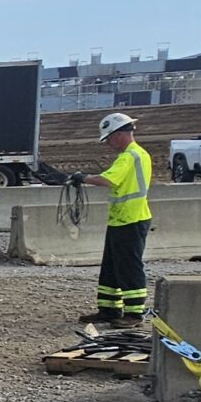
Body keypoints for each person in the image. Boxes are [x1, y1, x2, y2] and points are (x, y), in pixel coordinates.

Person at [80, 110, 154, 323]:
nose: (108, 143)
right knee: (112, 266)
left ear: (120, 134)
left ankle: (134, 313)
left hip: (131, 219)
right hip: (122, 219)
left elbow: (108, 180)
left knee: (129, 265)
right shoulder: (136, 155)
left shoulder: (130, 156)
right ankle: (109, 309)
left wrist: (83, 178)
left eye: (109, 138)